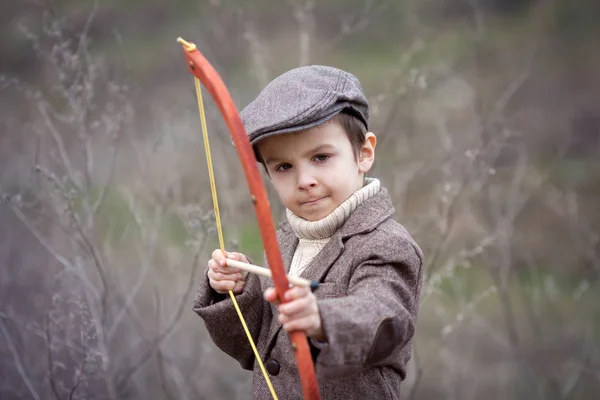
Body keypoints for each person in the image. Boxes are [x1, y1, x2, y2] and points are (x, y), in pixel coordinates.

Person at [193, 65, 424, 399]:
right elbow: (261, 351)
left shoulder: (386, 245)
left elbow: (386, 319)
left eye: (321, 157)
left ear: (364, 154)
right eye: (284, 167)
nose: (304, 181)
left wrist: (322, 319)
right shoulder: (291, 238)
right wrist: (240, 293)